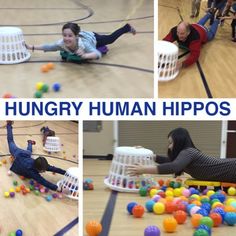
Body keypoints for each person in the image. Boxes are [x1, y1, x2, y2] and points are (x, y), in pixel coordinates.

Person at [126, 127, 236, 183]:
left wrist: (144, 169)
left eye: (171, 143)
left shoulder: (189, 152)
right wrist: (149, 155)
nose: (169, 147)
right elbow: (171, 161)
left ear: (179, 142)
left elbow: (173, 166)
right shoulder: (187, 154)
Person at [6, 121, 67, 192]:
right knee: (11, 142)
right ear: (38, 169)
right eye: (43, 170)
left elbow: (52, 168)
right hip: (17, 154)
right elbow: (43, 181)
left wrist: (65, 172)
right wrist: (59, 189)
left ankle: (28, 141)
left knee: (26, 151)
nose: (44, 171)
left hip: (26, 155)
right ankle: (11, 126)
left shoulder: (39, 164)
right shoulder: (32, 172)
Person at [26, 22, 136, 61]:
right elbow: (49, 47)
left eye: (70, 36)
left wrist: (85, 56)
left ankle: (127, 27)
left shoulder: (84, 44)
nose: (66, 38)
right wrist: (31, 47)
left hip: (93, 38)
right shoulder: (62, 43)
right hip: (82, 36)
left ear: (76, 36)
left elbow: (97, 54)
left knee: (110, 39)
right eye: (64, 35)